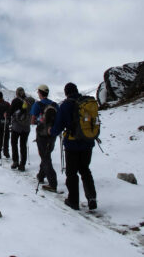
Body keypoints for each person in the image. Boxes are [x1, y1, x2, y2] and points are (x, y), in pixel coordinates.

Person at [50, 82, 97, 210]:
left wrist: (52, 132)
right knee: (85, 170)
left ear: (66, 93)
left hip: (72, 144)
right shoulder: (86, 103)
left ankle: (73, 200)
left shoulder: (66, 106)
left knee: (71, 173)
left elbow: (58, 125)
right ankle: (91, 197)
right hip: (88, 142)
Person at [30, 84, 58, 192]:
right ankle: (41, 176)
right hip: (52, 134)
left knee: (45, 157)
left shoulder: (38, 105)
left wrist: (38, 121)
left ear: (40, 93)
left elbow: (32, 121)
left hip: (42, 134)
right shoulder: (54, 105)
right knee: (47, 154)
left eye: (38, 92)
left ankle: (52, 183)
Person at [10, 87, 34, 171]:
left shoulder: (15, 101)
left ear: (17, 93)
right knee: (23, 145)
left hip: (16, 126)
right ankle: (22, 164)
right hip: (26, 127)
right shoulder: (29, 102)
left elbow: (11, 112)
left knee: (14, 143)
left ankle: (15, 161)